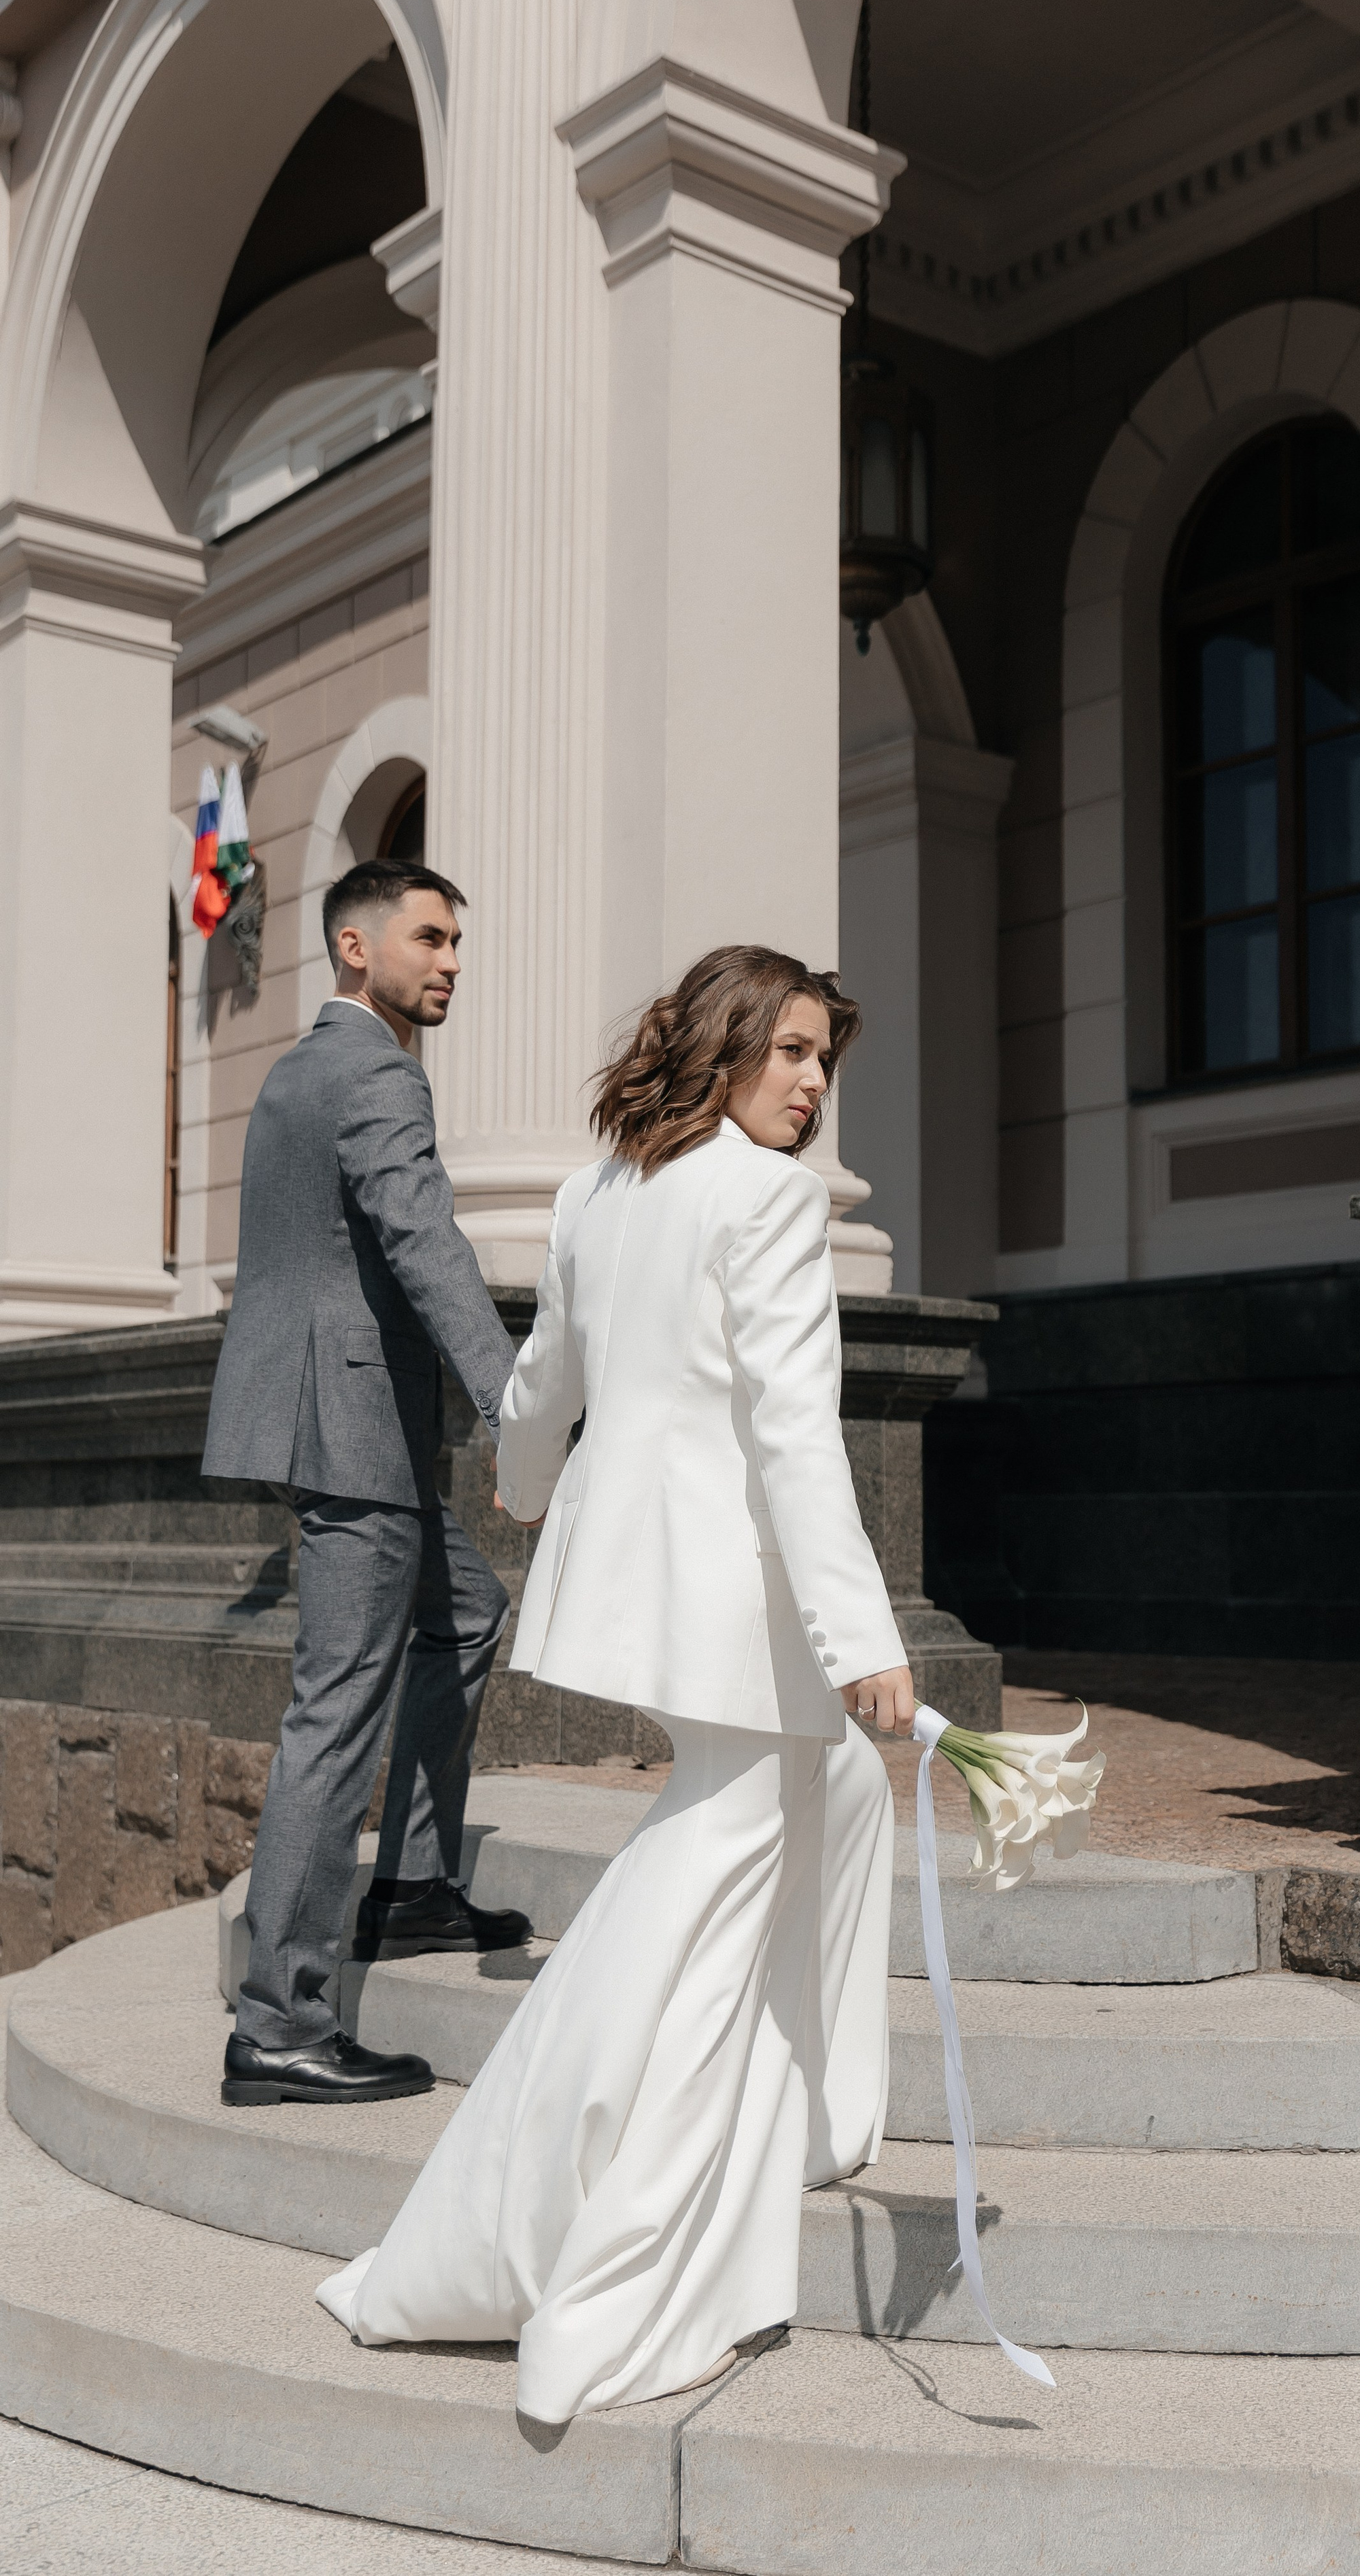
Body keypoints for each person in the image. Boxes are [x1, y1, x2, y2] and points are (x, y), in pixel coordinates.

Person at [316, 944, 913, 2419]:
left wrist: (520, 1483)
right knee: (702, 1918)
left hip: (653, 1602)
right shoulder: (765, 1201)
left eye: (823, 1057)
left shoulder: (600, 1192)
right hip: (737, 1615)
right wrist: (866, 1641)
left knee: (832, 1808)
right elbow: (791, 1437)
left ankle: (817, 2117)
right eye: (785, 1051)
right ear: (718, 1049)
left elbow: (544, 1385)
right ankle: (625, 2302)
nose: (812, 1080)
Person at [204, 858, 530, 2109]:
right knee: (336, 1714)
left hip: (319, 1419)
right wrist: (513, 1404)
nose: (451, 961)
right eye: (430, 938)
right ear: (356, 948)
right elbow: (423, 1240)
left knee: (465, 1612)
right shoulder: (381, 1073)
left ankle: (413, 1884)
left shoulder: (297, 1069)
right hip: (356, 1429)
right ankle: (280, 2020)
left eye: (459, 941)